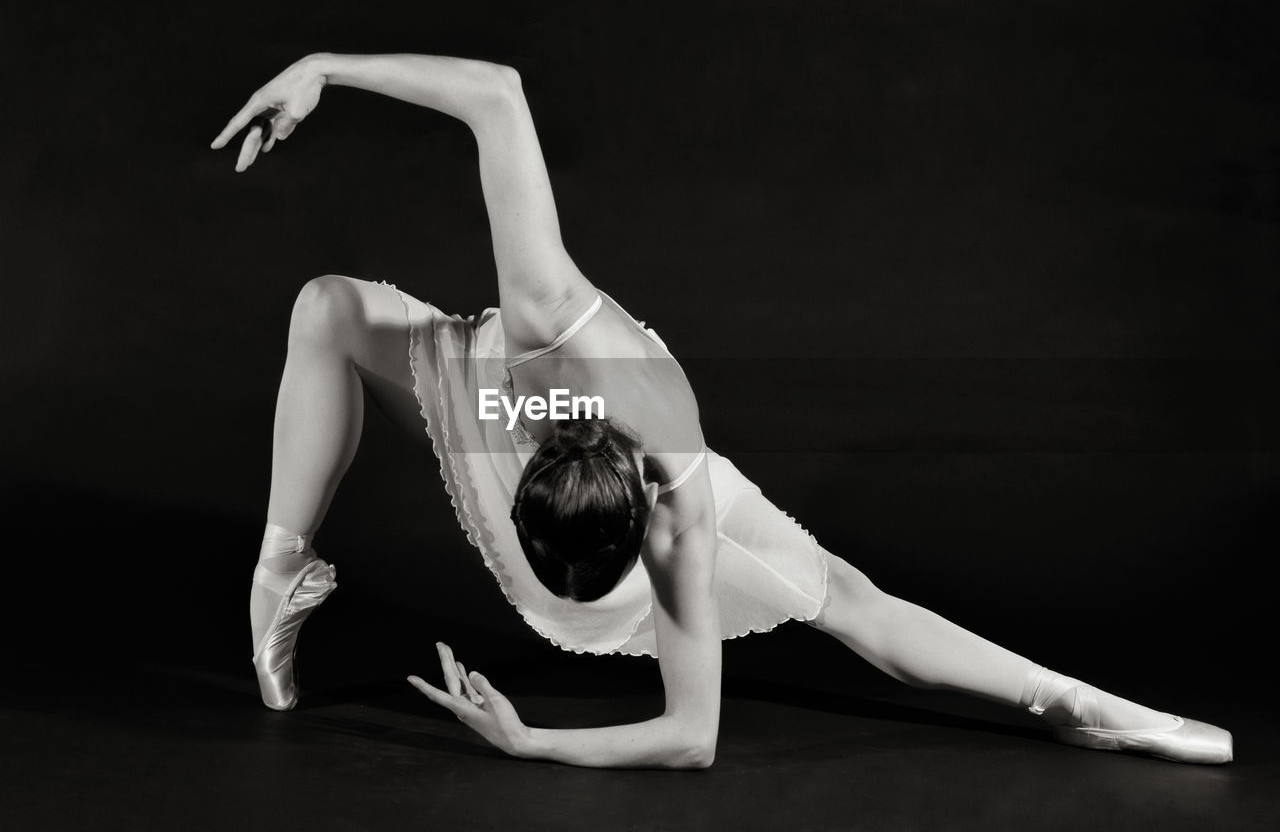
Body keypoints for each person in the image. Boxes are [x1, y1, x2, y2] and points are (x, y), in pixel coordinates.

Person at [211, 52, 1233, 769]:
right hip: (507, 386)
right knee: (328, 308)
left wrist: (529, 741)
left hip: (611, 445)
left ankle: (1075, 699)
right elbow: (495, 93)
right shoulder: (540, 315)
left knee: (845, 597)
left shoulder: (678, 507)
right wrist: (324, 65)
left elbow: (689, 735)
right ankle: (275, 569)